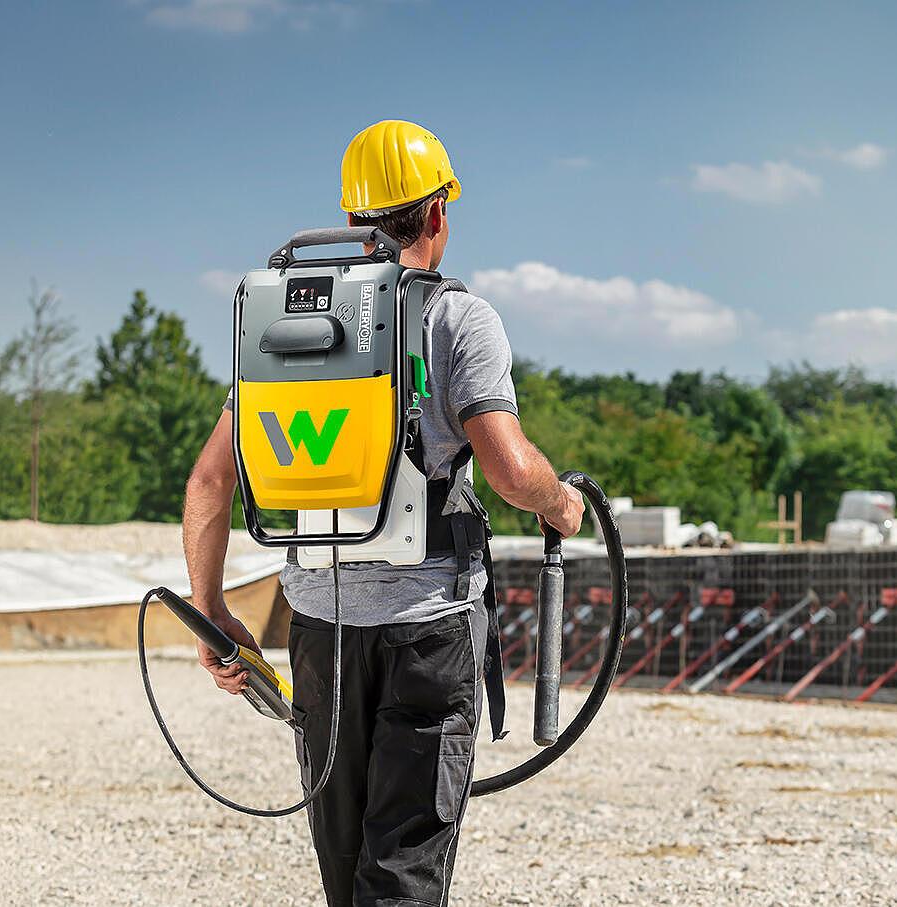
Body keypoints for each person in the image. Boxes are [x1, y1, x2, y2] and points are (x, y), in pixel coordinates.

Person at [179, 119, 586, 906]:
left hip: (320, 633)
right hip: (427, 631)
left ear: (356, 215)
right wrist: (562, 501)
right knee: (402, 869)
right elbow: (508, 468)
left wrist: (211, 608)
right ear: (438, 214)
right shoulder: (458, 318)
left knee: (346, 869)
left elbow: (207, 484)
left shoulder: (278, 316)